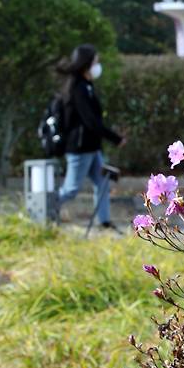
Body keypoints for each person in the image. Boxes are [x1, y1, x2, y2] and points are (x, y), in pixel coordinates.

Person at [56, 44, 125, 230]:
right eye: (96, 61)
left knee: (102, 183)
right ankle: (43, 211)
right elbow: (91, 122)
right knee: (71, 190)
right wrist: (116, 138)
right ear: (87, 63)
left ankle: (104, 222)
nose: (98, 64)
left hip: (92, 147)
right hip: (80, 148)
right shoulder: (77, 88)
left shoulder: (86, 85)